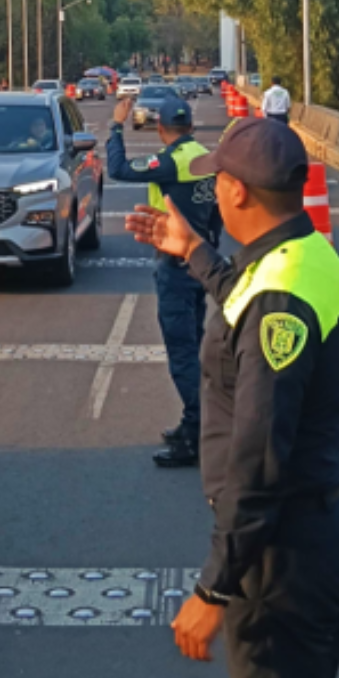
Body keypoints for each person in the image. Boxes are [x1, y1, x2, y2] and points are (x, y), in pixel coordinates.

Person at [126, 118, 339, 678]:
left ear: (237, 194)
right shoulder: (304, 258)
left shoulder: (278, 298)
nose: (214, 191)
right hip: (310, 534)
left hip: (280, 556)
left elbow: (258, 459)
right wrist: (194, 253)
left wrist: (213, 589)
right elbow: (247, 296)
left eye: (218, 182)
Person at [107, 93, 222, 467]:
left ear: (160, 130)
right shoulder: (206, 158)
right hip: (200, 261)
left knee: (183, 355)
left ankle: (201, 436)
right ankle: (195, 424)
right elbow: (217, 213)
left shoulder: (170, 161)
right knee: (198, 346)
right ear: (190, 126)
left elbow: (120, 169)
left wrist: (115, 125)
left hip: (174, 264)